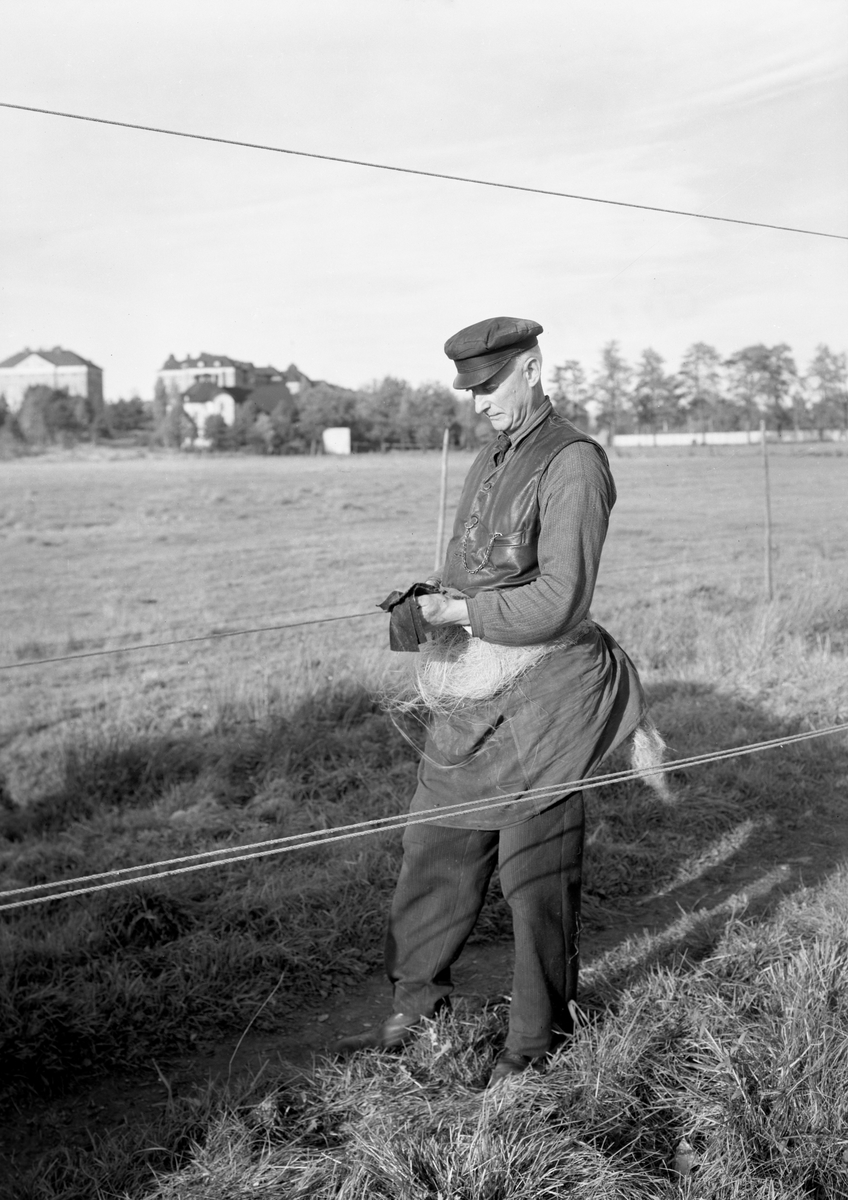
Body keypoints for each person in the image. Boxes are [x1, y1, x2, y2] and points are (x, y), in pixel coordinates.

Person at [336, 315, 650, 1086]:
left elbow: (559, 601)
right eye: (470, 390)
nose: (479, 403)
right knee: (432, 845)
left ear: (533, 368)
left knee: (532, 873)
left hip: (550, 697)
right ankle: (417, 1011)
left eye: (489, 386)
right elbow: (470, 569)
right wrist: (430, 600)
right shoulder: (491, 456)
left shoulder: (574, 464)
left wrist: (464, 613)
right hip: (479, 690)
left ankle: (537, 1041)